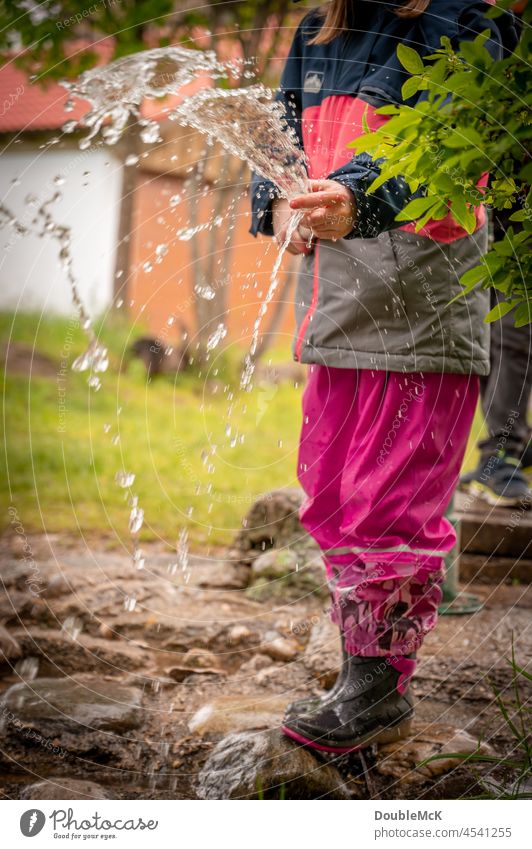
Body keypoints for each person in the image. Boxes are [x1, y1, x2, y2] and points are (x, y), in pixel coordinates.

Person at [250, 0, 517, 754]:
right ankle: (356, 670)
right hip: (338, 302)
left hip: (423, 304)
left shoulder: (466, 22)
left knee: (388, 500)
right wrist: (276, 201)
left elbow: (434, 151)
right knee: (332, 489)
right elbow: (274, 135)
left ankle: (380, 682)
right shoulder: (317, 31)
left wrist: (358, 194)